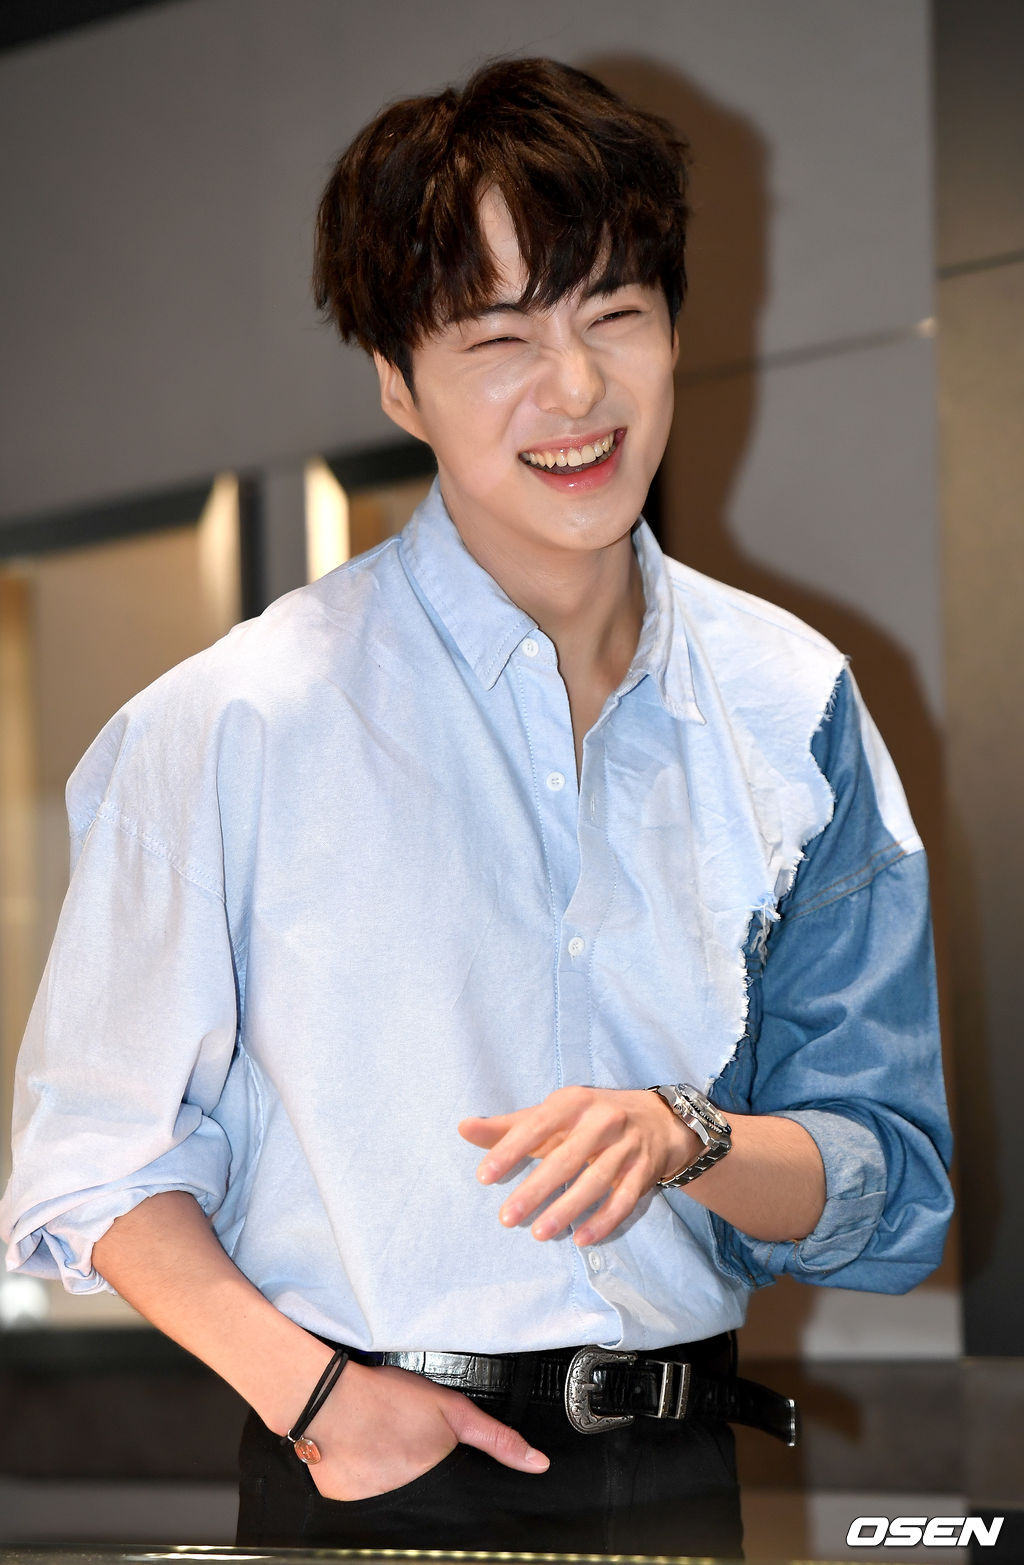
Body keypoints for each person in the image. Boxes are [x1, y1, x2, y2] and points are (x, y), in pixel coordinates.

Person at [1, 57, 952, 1557]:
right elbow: (92, 1163)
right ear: (399, 382)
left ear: (674, 328)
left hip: (687, 1471)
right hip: (373, 1465)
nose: (573, 390)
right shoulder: (233, 723)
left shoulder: (797, 701)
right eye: (501, 338)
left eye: (613, 314)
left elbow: (893, 1182)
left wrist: (689, 1137)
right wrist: (321, 1402)